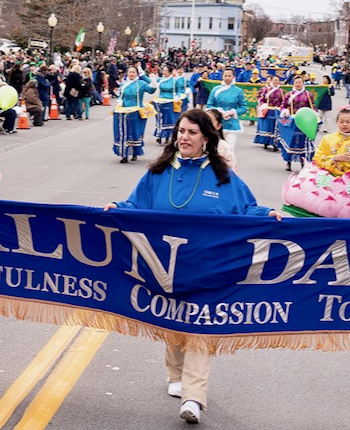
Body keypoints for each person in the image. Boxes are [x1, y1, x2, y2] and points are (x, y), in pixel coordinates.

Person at [104, 109, 281, 424]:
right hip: (164, 269)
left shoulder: (221, 174)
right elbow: (134, 205)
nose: (184, 137)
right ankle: (176, 373)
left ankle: (194, 397)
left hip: (208, 269)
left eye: (192, 133)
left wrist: (267, 215)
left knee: (198, 330)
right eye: (181, 131)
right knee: (173, 323)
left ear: (206, 139)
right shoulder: (157, 172)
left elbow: (247, 208)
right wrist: (117, 208)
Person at [113, 65, 156, 163]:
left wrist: (153, 81)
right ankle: (124, 154)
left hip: (136, 111)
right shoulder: (123, 84)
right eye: (130, 72)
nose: (131, 74)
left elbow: (151, 90)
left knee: (135, 131)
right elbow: (120, 95)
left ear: (136, 73)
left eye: (133, 72)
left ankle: (135, 152)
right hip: (124, 110)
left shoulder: (141, 84)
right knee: (124, 132)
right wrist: (119, 101)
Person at [279, 75, 315, 171]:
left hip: (304, 122)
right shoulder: (289, 95)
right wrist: (285, 111)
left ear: (303, 83)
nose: (298, 84)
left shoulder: (308, 94)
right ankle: (288, 162)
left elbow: (313, 107)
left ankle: (303, 163)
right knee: (291, 141)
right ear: (293, 83)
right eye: (296, 82)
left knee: (303, 142)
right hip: (292, 121)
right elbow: (283, 105)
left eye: (300, 82)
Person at [313, 107, 350, 176]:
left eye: (348, 122)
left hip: (348, 182)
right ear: (337, 122)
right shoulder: (327, 139)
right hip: (327, 179)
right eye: (342, 122)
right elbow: (317, 160)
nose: (345, 124)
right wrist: (334, 158)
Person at [206, 67, 247, 148]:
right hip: (217, 123)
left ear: (233, 77)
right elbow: (209, 105)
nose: (227, 78)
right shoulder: (216, 89)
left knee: (229, 148)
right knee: (215, 148)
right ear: (222, 76)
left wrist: (233, 112)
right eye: (225, 76)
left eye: (229, 76)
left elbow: (244, 108)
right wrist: (217, 110)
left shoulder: (238, 91)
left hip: (231, 123)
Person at [254, 75, 284, 150]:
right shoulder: (267, 90)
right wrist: (263, 105)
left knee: (276, 127)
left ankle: (275, 143)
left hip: (277, 111)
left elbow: (284, 101)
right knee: (268, 127)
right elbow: (261, 99)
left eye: (277, 80)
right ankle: (266, 142)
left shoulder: (281, 91)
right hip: (268, 110)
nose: (275, 82)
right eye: (274, 80)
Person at [154, 65, 178, 143]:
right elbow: (149, 81)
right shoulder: (160, 80)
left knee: (168, 119)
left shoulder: (174, 81)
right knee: (160, 118)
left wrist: (178, 97)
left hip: (169, 101)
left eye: (165, 70)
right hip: (160, 101)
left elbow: (179, 90)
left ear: (170, 72)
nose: (163, 72)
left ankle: (167, 136)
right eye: (163, 70)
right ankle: (160, 135)